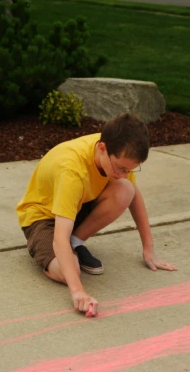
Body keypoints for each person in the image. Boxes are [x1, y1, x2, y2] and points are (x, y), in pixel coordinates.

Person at [16, 113, 176, 317]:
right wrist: (78, 292)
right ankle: (68, 253)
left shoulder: (117, 151)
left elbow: (134, 197)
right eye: (120, 168)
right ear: (102, 148)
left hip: (76, 207)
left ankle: (76, 241)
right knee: (70, 269)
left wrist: (149, 249)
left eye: (130, 169)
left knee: (126, 189)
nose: (124, 174)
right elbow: (58, 238)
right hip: (42, 217)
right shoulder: (72, 170)